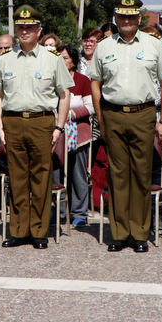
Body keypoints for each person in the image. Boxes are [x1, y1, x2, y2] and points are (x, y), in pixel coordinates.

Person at [88, 0, 162, 253]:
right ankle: (119, 232)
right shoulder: (104, 46)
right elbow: (96, 84)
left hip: (143, 114)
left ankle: (139, 233)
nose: (126, 20)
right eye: (121, 16)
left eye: (131, 16)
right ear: (116, 19)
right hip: (112, 113)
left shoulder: (154, 45)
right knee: (116, 175)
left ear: (139, 18)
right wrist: (101, 118)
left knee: (140, 174)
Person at [0, 6, 72, 249]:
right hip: (13, 122)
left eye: (29, 27)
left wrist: (59, 127)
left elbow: (64, 94)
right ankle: (18, 230)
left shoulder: (52, 59)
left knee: (40, 178)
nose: (24, 31)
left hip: (41, 121)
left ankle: (38, 231)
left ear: (39, 30)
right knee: (16, 178)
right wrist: (1, 127)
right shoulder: (5, 59)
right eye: (20, 27)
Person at [57, 43, 93, 227]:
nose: (61, 61)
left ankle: (79, 212)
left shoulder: (82, 80)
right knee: (56, 173)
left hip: (78, 133)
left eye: (65, 58)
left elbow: (91, 106)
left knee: (78, 174)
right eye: (59, 57)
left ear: (73, 61)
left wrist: (72, 114)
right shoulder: (51, 79)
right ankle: (58, 212)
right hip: (56, 134)